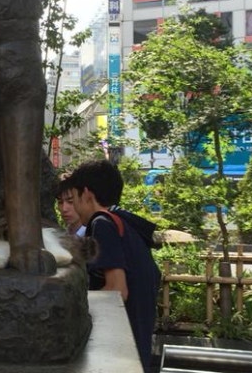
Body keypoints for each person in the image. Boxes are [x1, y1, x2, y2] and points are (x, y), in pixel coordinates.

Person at [62, 160, 160, 373]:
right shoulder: (126, 223)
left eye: (74, 198)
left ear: (86, 193)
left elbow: (117, 290)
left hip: (119, 350)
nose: (75, 208)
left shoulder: (102, 224)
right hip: (136, 344)